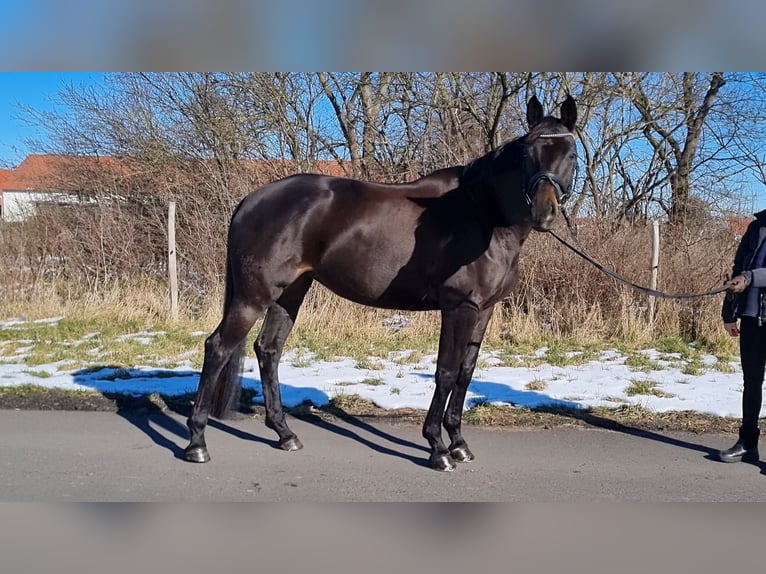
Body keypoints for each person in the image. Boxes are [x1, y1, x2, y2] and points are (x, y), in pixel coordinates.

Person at [720, 209, 766, 463]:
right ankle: (748, 442)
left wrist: (749, 278)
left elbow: (746, 275)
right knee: (751, 382)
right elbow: (738, 268)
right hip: (751, 317)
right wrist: (728, 312)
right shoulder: (756, 226)